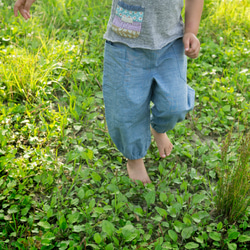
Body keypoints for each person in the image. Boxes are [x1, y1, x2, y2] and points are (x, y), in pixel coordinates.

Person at [14, 0, 204, 184]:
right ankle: (134, 159)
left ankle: (158, 128)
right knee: (124, 110)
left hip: (170, 43)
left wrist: (190, 31)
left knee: (175, 105)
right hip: (125, 42)